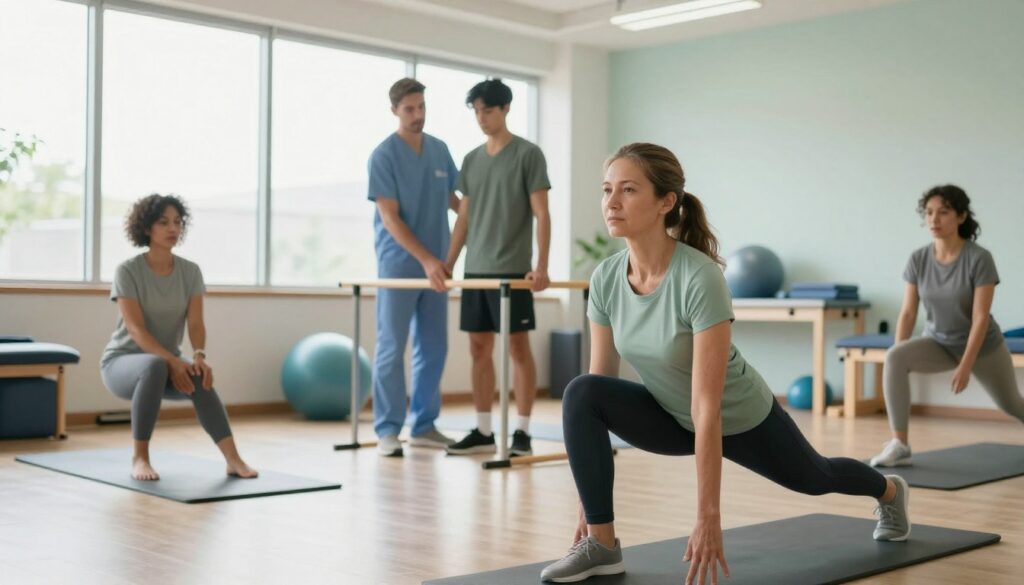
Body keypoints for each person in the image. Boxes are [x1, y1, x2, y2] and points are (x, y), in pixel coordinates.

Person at [540, 144, 910, 584]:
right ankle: (602, 545)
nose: (612, 202)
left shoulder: (699, 277)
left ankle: (889, 490)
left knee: (816, 476)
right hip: (670, 416)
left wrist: (708, 517)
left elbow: (708, 408)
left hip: (739, 418)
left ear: (666, 202)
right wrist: (590, 502)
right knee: (582, 390)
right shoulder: (605, 278)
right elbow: (600, 387)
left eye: (628, 190)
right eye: (606, 190)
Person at [100, 194, 257, 481]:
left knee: (199, 375)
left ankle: (233, 459)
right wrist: (171, 359)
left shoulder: (190, 271)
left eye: (177, 222)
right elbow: (136, 330)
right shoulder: (127, 271)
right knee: (154, 365)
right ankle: (140, 458)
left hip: (166, 363)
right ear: (147, 228)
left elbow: (196, 322)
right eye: (163, 223)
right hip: (121, 364)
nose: (173, 228)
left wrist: (198, 356)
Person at [870, 185, 1024, 467]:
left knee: (1012, 404)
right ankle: (900, 444)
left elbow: (980, 317)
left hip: (983, 347)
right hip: (938, 343)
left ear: (961, 216)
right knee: (895, 356)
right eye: (929, 213)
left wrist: (966, 365)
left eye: (943, 212)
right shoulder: (919, 258)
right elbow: (907, 313)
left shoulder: (979, 258)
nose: (934, 219)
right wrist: (900, 351)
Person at [445, 79, 551, 457]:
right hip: (476, 270)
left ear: (505, 109)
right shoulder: (472, 159)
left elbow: (542, 212)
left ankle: (522, 431)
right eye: (476, 111)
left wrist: (541, 266)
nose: (481, 117)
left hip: (513, 271)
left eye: (487, 110)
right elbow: (464, 219)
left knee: (518, 348)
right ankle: (484, 429)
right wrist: (448, 263)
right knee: (478, 348)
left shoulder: (528, 154)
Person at [367, 78, 461, 457]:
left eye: (422, 107)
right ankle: (388, 429)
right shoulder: (383, 155)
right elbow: (389, 218)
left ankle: (423, 425)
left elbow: (457, 203)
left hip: (438, 266)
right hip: (400, 266)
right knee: (391, 347)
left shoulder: (439, 150)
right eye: (409, 109)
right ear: (394, 111)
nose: (418, 115)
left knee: (434, 347)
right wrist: (425, 260)